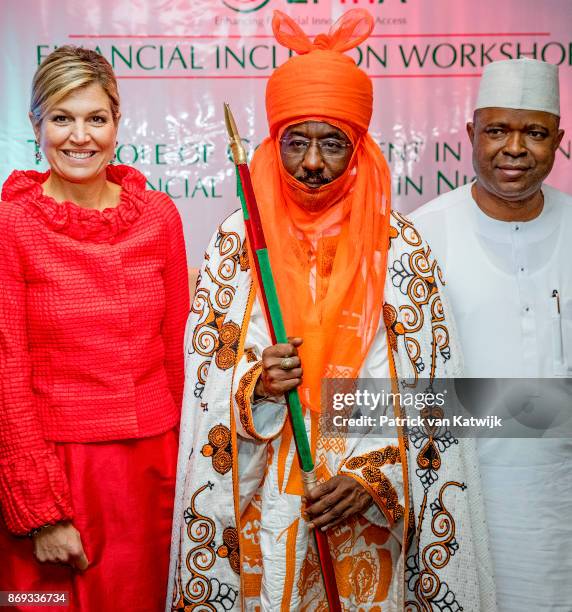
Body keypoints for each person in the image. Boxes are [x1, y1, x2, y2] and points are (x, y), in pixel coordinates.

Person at [168, 10, 495, 611]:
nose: (313, 164)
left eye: (332, 143)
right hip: (261, 505)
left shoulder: (399, 249)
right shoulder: (237, 243)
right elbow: (203, 391)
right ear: (273, 141)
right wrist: (258, 388)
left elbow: (434, 402)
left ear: (359, 145)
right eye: (297, 142)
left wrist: (376, 477)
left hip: (361, 522)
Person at [0, 46, 189, 610]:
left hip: (153, 474)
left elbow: (182, 357)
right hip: (55, 472)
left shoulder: (158, 217)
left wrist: (196, 475)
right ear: (36, 125)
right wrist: (41, 512)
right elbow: (7, 370)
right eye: (62, 118)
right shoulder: (12, 223)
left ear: (116, 123)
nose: (79, 136)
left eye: (95, 118)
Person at [411, 58, 572, 611]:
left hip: (560, 500)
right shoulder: (420, 236)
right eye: (498, 130)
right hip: (459, 493)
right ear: (471, 134)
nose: (515, 148)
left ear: (559, 140)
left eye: (535, 132)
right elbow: (393, 391)